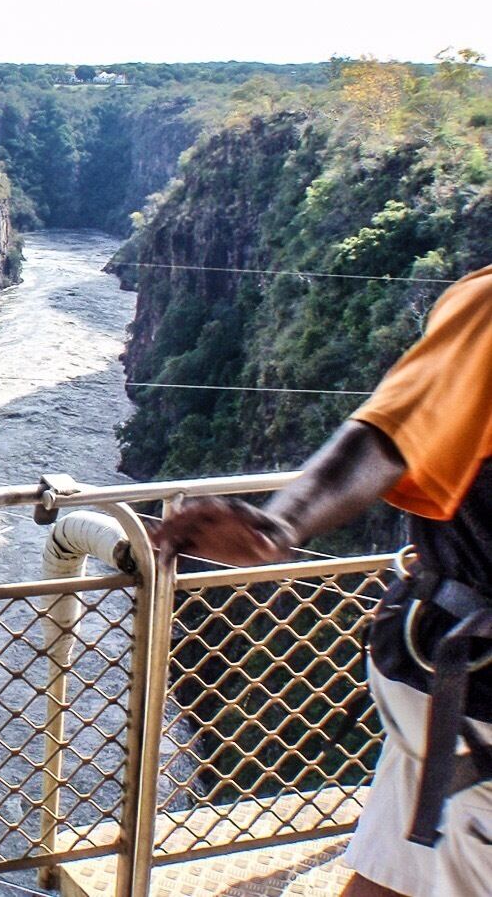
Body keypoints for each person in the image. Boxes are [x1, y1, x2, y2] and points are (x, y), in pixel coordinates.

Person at [153, 265, 492, 897]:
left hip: (451, 682)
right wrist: (283, 522)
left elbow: (393, 433)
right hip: (468, 688)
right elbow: (386, 439)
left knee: (396, 871)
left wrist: (284, 522)